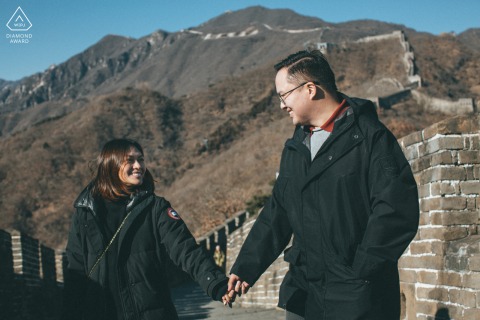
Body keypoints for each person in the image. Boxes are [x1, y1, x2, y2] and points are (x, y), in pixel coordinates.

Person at [228, 50, 420, 319]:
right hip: (304, 293)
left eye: (284, 95)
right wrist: (246, 267)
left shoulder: (370, 138)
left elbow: (396, 210)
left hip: (356, 295)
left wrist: (361, 272)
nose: (282, 105)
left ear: (310, 89)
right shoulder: (296, 147)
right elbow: (277, 213)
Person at [62, 138, 232, 320]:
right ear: (111, 165)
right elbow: (76, 270)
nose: (138, 166)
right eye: (130, 160)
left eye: (141, 159)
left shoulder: (155, 208)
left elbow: (185, 249)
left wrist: (215, 283)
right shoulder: (86, 213)